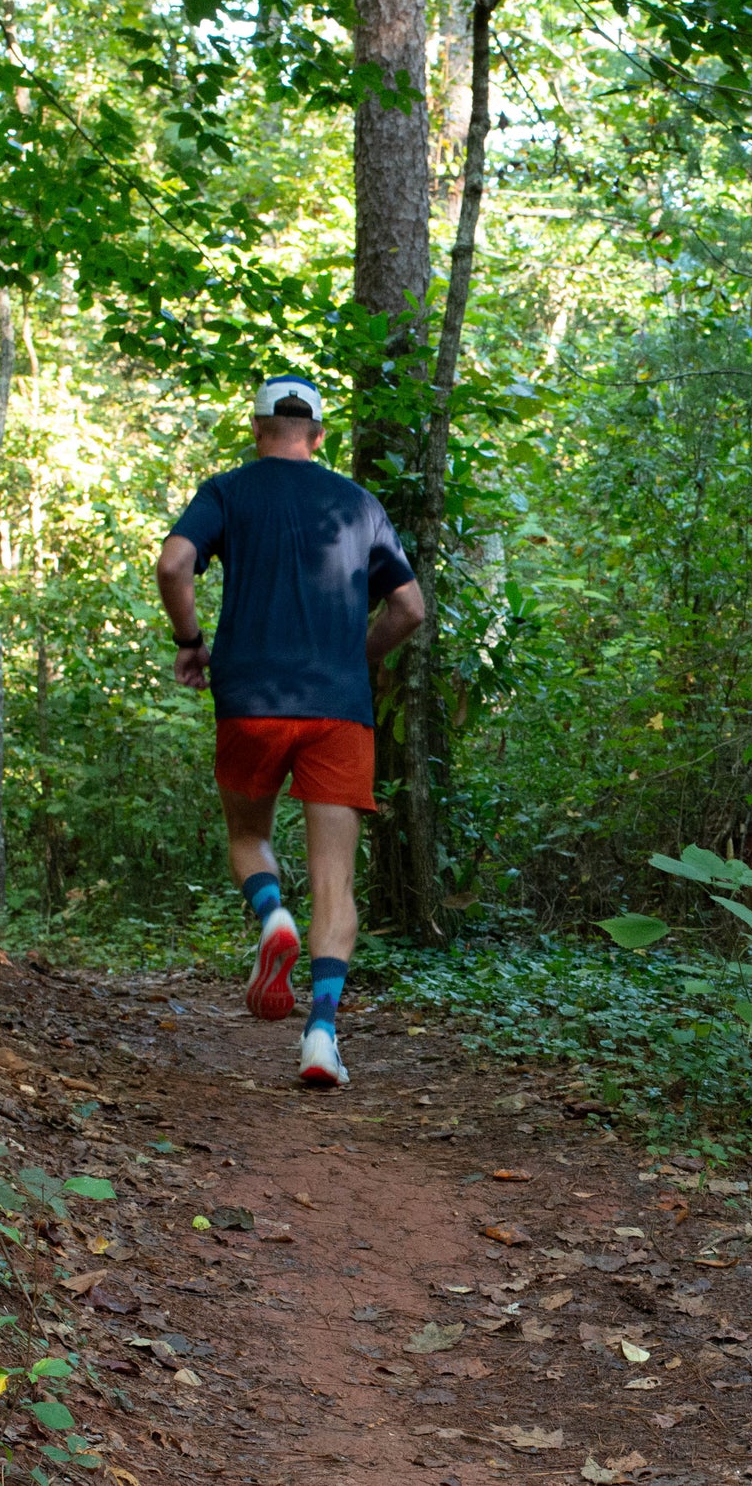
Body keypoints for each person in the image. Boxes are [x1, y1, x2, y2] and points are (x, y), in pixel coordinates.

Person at [155, 374, 426, 1086]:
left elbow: (173, 562)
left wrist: (190, 639)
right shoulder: (358, 503)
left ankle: (272, 914)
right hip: (338, 709)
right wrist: (354, 660)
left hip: (249, 698)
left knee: (249, 835)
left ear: (256, 429)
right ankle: (322, 1036)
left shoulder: (228, 491)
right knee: (336, 881)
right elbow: (409, 609)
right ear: (319, 434)